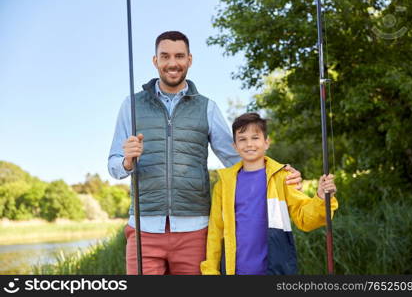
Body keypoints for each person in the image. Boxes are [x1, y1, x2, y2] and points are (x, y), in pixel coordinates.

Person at [108, 31, 303, 275]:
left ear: (189, 60)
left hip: (195, 229)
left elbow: (241, 158)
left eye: (179, 56)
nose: (172, 63)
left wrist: (281, 173)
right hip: (143, 228)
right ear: (155, 61)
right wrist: (127, 160)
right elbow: (113, 165)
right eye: (165, 56)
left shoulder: (207, 107)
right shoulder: (131, 106)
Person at [200, 112, 339, 275]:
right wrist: (210, 270)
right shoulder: (223, 184)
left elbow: (304, 218)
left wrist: (322, 198)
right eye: (242, 139)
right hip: (234, 271)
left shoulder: (283, 177)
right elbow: (216, 232)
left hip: (274, 270)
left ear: (266, 142)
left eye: (255, 137)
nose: (249, 144)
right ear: (235, 147)